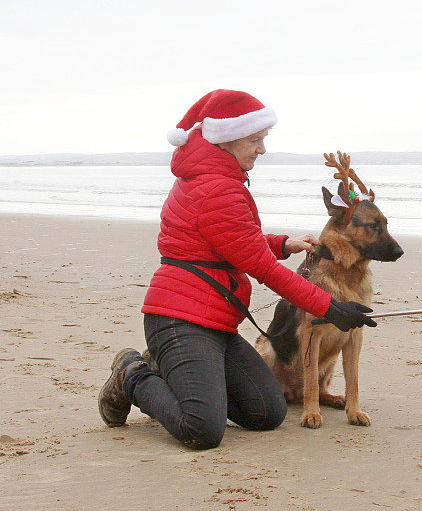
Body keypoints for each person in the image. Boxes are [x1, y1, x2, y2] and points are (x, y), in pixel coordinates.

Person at [98, 89, 376, 449]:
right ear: (227, 140)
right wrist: (330, 307)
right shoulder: (217, 189)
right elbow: (261, 267)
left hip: (215, 322)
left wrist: (282, 244)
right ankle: (132, 375)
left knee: (267, 412)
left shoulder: (216, 178)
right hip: (179, 321)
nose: (262, 149)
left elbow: (231, 240)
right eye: (255, 139)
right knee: (202, 429)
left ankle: (180, 374)